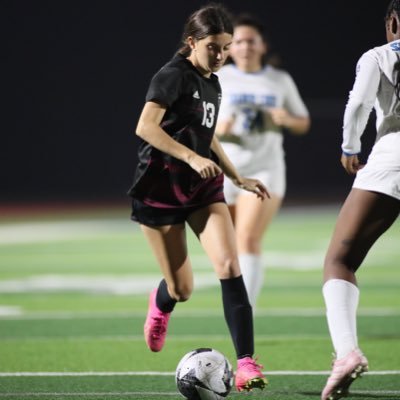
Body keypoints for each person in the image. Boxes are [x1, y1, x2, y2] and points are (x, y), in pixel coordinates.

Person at [127, 4, 269, 393]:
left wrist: (237, 176)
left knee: (228, 264)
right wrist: (191, 157)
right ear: (192, 41)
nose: (222, 56)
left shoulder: (214, 82)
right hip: (160, 191)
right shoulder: (172, 75)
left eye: (226, 48)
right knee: (182, 289)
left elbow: (207, 135)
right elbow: (145, 127)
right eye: (214, 47)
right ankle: (160, 303)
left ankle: (246, 364)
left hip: (203, 190)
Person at [321, 1, 400, 399]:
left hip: (393, 156)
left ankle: (347, 352)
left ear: (393, 21)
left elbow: (359, 104)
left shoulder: (379, 55)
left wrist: (350, 146)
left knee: (339, 260)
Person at [215, 14, 310, 308]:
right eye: (238, 42)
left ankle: (246, 311)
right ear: (229, 47)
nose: (245, 47)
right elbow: (198, 121)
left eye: (251, 41)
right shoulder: (218, 77)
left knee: (247, 238)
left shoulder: (279, 80)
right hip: (224, 171)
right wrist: (219, 128)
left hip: (265, 169)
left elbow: (303, 122)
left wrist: (288, 119)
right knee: (227, 250)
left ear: (263, 45)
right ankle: (236, 306)